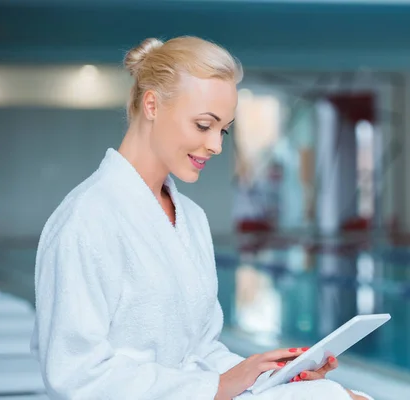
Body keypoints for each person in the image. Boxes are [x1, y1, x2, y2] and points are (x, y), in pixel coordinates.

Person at [30, 36, 372, 400]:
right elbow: (73, 375)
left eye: (222, 129)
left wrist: (270, 375)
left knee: (338, 393)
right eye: (203, 125)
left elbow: (202, 353)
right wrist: (218, 386)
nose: (216, 145)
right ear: (152, 105)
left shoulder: (191, 219)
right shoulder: (86, 219)